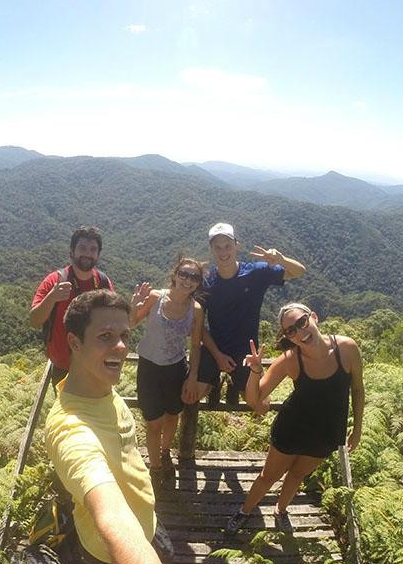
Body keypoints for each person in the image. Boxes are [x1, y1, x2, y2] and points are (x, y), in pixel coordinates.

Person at [45, 289, 226, 564]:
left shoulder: (95, 387)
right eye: (105, 337)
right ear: (75, 343)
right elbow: (112, 518)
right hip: (132, 537)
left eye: (125, 335)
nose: (121, 347)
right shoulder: (71, 430)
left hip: (93, 541)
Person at [224, 303, 365, 537]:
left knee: (298, 475)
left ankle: (280, 510)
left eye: (301, 322)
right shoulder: (290, 359)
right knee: (268, 476)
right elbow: (255, 399)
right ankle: (245, 510)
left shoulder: (347, 349)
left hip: (327, 432)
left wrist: (357, 428)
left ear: (314, 317)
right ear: (288, 337)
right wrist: (256, 371)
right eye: (290, 331)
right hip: (291, 429)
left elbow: (358, 389)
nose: (299, 332)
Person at [196, 223, 306, 404]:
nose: (223, 252)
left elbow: (299, 271)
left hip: (246, 352)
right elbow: (197, 324)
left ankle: (233, 383)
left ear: (236, 245)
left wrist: (281, 259)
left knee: (261, 405)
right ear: (211, 249)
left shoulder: (256, 272)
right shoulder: (206, 281)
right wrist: (217, 355)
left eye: (228, 246)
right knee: (191, 396)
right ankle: (214, 383)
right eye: (218, 247)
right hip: (214, 348)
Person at [130, 258, 205, 489]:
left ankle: (165, 453)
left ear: (198, 283)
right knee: (153, 423)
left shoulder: (196, 310)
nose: (188, 280)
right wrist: (134, 305)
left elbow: (195, 345)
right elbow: (132, 323)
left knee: (173, 416)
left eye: (194, 277)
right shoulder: (155, 297)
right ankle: (155, 468)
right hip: (149, 368)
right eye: (184, 274)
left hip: (176, 369)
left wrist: (192, 376)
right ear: (175, 275)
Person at [30, 226, 114, 386]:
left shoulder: (103, 282)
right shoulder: (54, 281)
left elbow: (112, 322)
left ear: (98, 254)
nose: (87, 253)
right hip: (63, 366)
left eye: (93, 249)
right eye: (82, 248)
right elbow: (34, 320)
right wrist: (52, 297)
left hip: (95, 365)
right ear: (72, 251)